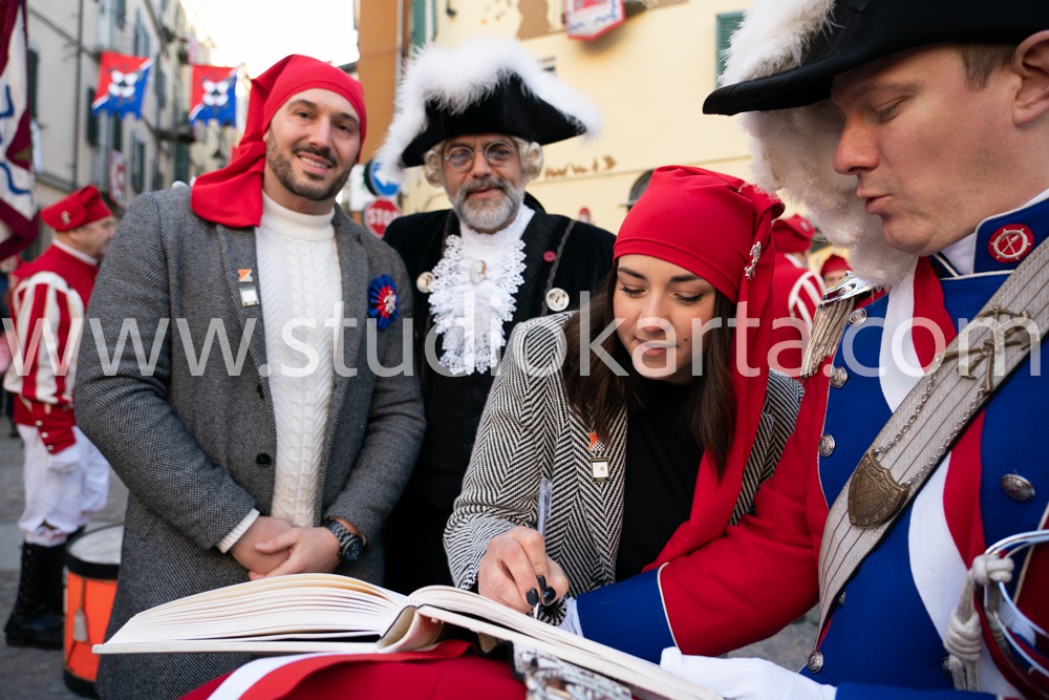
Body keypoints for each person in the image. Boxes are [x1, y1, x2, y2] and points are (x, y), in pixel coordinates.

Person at [563, 1, 1049, 697]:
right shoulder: (866, 316)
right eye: (839, 120)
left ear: (1032, 79)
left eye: (884, 107)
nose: (845, 155)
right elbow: (788, 542)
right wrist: (563, 626)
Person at [74, 55, 425, 699]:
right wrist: (235, 525)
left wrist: (342, 534)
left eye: (344, 125)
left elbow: (398, 412)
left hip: (334, 601)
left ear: (357, 147)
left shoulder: (381, 263)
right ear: (267, 123)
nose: (322, 137)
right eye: (304, 114)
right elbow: (111, 387)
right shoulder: (167, 226)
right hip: (188, 589)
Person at [445, 165, 802, 621]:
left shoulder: (778, 409)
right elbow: (481, 512)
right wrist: (494, 559)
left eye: (686, 296)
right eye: (631, 289)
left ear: (732, 306)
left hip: (684, 652)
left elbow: (771, 564)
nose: (650, 319)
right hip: (553, 641)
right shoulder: (547, 354)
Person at [375, 37, 615, 593]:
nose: (481, 169)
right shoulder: (406, 242)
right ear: (438, 169)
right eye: (460, 154)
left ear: (527, 160)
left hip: (538, 533)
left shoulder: (591, 251)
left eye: (498, 151)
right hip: (415, 530)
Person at [2, 186, 115, 649]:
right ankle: (28, 617)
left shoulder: (81, 271)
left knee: (72, 511)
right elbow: (36, 369)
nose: (112, 232)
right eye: (104, 224)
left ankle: (51, 604)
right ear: (75, 229)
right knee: (49, 515)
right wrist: (57, 436)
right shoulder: (50, 280)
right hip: (55, 422)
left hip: (76, 418)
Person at [769, 213, 824, 378]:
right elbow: (821, 341)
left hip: (754, 385)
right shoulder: (803, 279)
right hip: (795, 387)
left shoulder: (753, 278)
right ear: (804, 250)